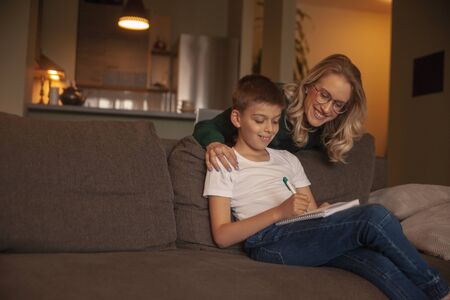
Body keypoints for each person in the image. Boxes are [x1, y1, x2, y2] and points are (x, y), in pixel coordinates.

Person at [203, 74, 450, 300]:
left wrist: (324, 214)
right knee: (373, 217)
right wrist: (279, 212)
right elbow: (223, 236)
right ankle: (439, 289)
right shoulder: (224, 161)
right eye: (259, 120)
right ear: (237, 118)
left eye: (275, 122)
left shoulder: (288, 159)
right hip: (267, 243)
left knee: (376, 262)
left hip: (303, 233)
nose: (268, 129)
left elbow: (309, 211)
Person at [193, 53, 367, 172]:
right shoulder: (272, 100)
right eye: (324, 95)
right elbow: (206, 126)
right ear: (308, 85)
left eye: (337, 104)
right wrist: (214, 144)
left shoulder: (331, 128)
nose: (327, 109)